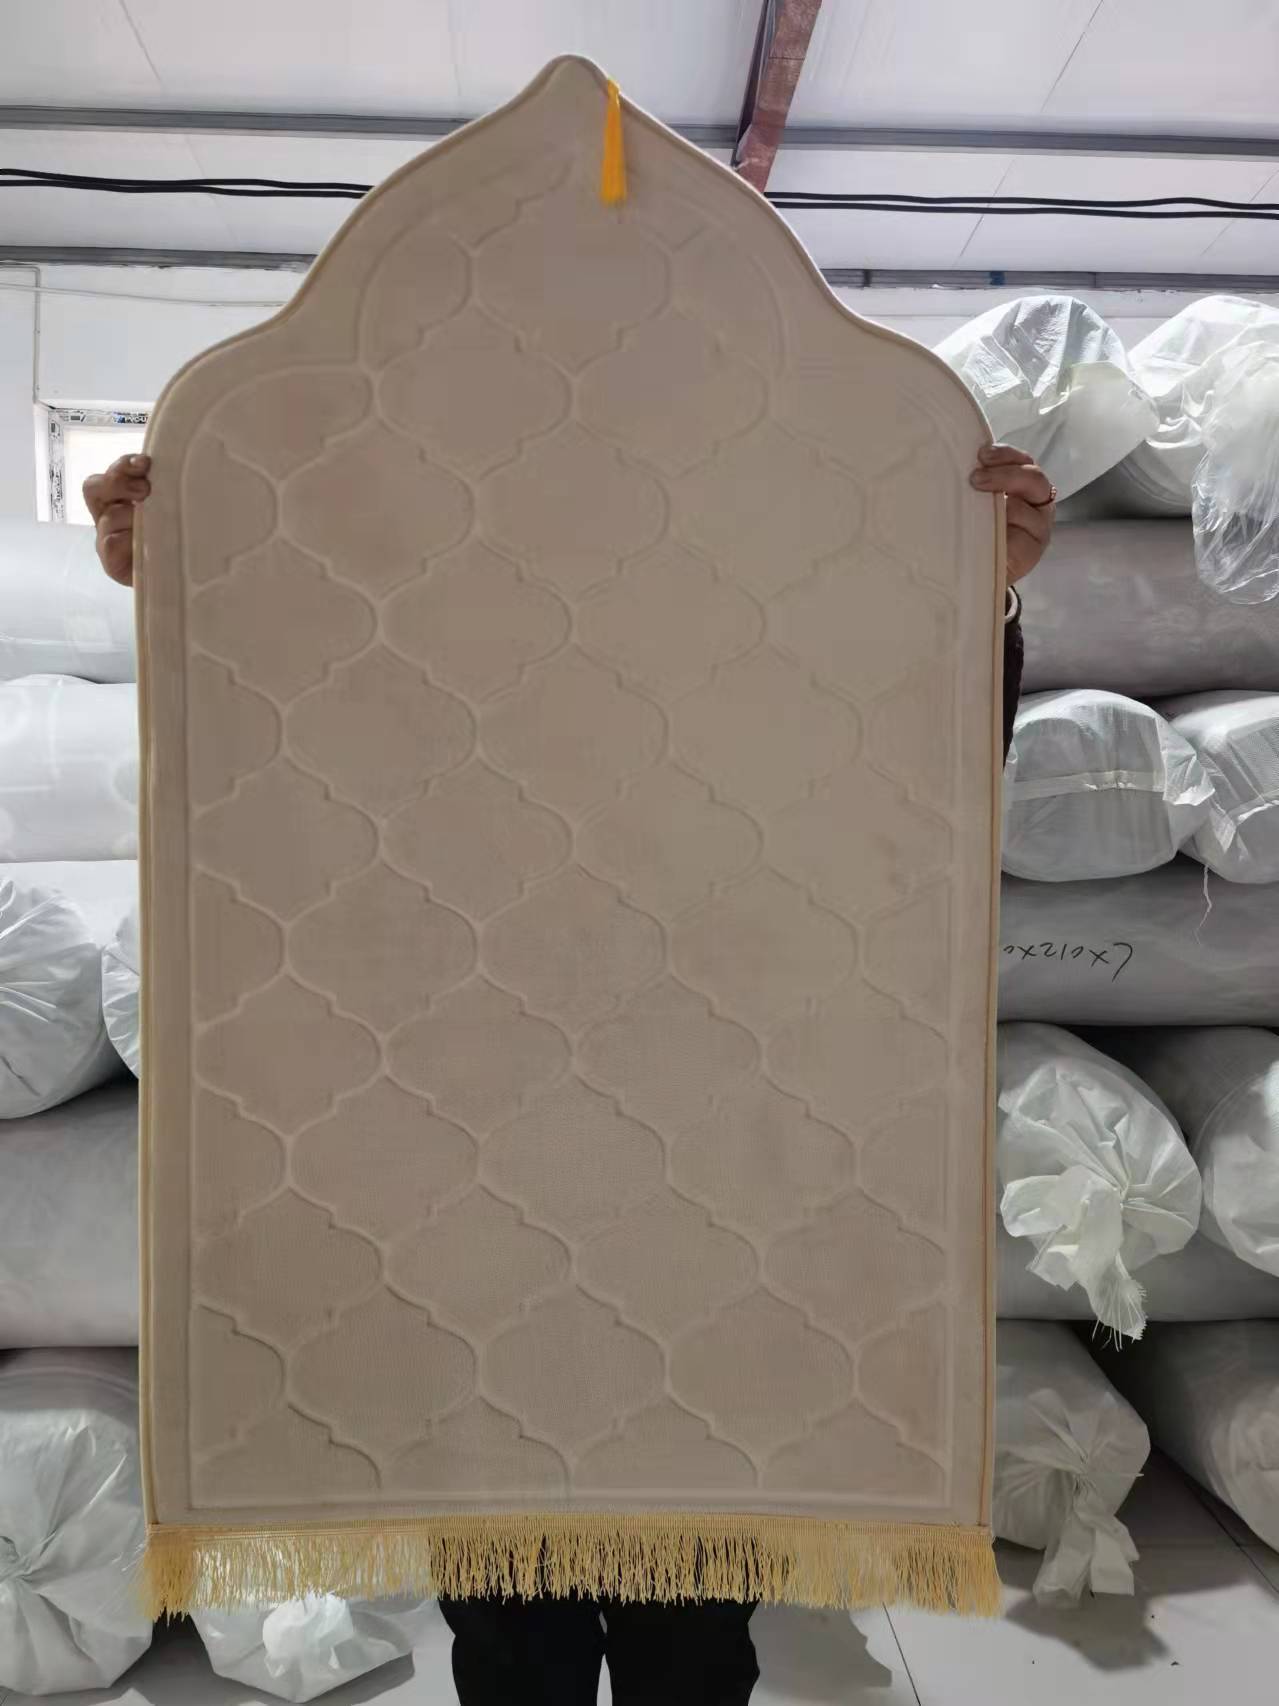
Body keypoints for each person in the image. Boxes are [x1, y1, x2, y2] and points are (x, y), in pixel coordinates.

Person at [87, 442, 1054, 1706]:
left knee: (692, 1628)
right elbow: (294, 761)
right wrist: (195, 585)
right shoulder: (439, 672)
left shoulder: (739, 679)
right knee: (511, 1632)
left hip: (711, 1186)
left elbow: (899, 794)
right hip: (478, 1195)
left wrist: (974, 592)